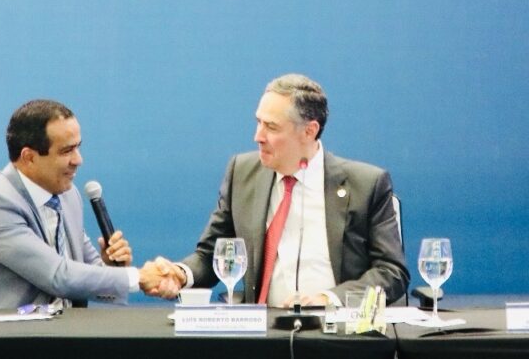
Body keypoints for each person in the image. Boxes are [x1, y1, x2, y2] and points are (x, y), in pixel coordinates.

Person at [146, 74, 409, 306]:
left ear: (309, 131)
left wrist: (329, 299)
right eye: (258, 122)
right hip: (262, 330)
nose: (258, 136)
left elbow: (391, 272)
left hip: (334, 330)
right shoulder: (242, 173)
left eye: (271, 127)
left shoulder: (366, 184)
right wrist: (181, 274)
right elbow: (211, 255)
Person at [0, 99, 163, 307]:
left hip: (64, 326)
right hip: (7, 327)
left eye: (78, 147)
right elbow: (58, 276)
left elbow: (85, 276)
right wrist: (138, 277)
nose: (78, 160)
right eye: (66, 151)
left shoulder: (68, 195)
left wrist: (112, 267)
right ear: (29, 157)